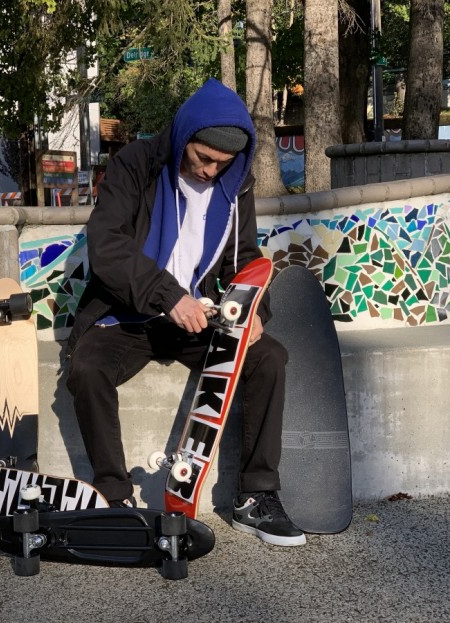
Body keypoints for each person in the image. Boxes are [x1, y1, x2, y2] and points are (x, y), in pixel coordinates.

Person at [65, 78, 305, 546]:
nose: (212, 171)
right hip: (129, 314)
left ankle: (255, 496)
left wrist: (256, 308)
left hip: (201, 315)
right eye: (204, 159)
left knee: (269, 358)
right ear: (183, 138)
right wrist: (166, 296)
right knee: (87, 369)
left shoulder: (237, 185)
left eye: (223, 163)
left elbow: (244, 258)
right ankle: (114, 498)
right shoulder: (134, 165)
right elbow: (107, 246)